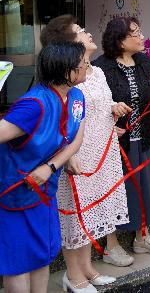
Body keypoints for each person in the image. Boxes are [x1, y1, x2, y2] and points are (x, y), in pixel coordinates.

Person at [41, 17, 130, 291]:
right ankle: (73, 275)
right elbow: (62, 119)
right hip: (78, 154)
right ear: (69, 44)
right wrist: (67, 156)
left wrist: (114, 108)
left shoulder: (97, 72)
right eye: (81, 31)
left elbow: (98, 105)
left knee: (94, 212)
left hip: (102, 151)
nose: (88, 32)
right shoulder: (65, 77)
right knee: (75, 214)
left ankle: (88, 269)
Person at [0, 42, 87, 293]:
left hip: (44, 190)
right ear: (65, 70)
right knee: (18, 262)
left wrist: (51, 167)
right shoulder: (33, 105)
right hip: (14, 193)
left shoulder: (77, 97)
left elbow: (76, 141)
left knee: (42, 254)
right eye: (82, 63)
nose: (86, 66)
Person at [93, 17, 150, 258]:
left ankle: (142, 237)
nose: (141, 36)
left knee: (143, 189)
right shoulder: (101, 68)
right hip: (116, 143)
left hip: (141, 138)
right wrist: (109, 123)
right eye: (135, 33)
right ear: (120, 40)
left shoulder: (144, 62)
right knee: (115, 191)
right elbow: (95, 106)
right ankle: (111, 245)